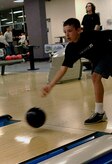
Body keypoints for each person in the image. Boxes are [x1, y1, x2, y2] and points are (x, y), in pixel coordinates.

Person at [41, 18, 112, 124]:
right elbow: (63, 68)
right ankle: (99, 112)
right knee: (95, 77)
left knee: (95, 76)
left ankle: (99, 112)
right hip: (98, 60)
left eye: (70, 31)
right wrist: (50, 85)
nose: (67, 34)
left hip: (110, 53)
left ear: (79, 30)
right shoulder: (71, 49)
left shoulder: (91, 35)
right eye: (65, 32)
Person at [81, 2, 101, 70]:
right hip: (86, 36)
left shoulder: (95, 16)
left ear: (92, 7)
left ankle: (95, 65)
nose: (88, 7)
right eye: (87, 6)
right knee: (87, 50)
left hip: (93, 36)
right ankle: (89, 65)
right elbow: (83, 27)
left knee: (94, 50)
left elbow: (97, 25)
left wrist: (94, 34)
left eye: (89, 6)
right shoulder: (85, 16)